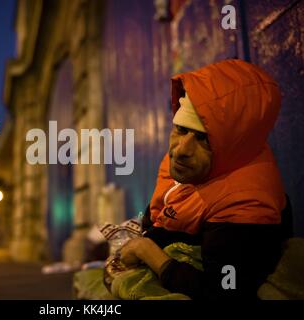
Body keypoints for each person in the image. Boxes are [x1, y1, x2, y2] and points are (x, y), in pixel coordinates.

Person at [120, 59, 290, 300]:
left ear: (233, 145)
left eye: (203, 139)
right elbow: (162, 218)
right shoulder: (187, 165)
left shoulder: (246, 202)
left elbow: (223, 291)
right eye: (180, 129)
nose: (181, 149)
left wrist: (147, 251)